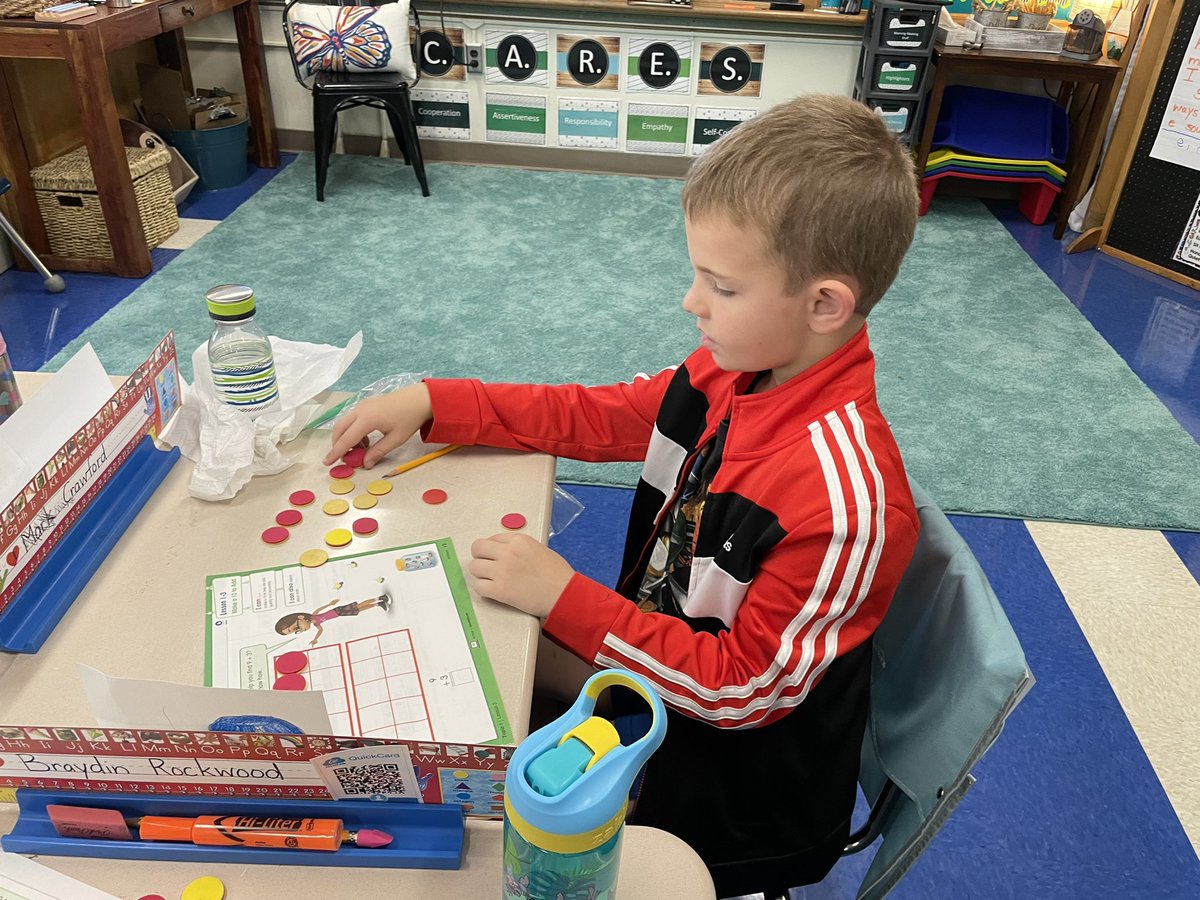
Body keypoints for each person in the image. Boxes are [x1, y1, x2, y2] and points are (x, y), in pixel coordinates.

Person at [324, 94, 921, 896]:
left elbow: (741, 692)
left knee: (471, 702)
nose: (692, 303)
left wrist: (565, 597)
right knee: (460, 641)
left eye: (722, 286)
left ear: (824, 304)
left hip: (727, 793)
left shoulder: (848, 504)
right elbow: (602, 415)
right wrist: (441, 399)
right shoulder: (732, 371)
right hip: (653, 678)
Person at [274, 593, 391, 646]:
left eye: (296, 627)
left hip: (338, 610)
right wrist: (315, 640)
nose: (301, 630)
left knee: (358, 606)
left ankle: (380, 598)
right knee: (358, 611)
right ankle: (379, 604)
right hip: (340, 615)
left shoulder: (313, 616)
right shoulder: (316, 624)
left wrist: (330, 604)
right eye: (296, 631)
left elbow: (321, 608)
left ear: (300, 617)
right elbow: (320, 631)